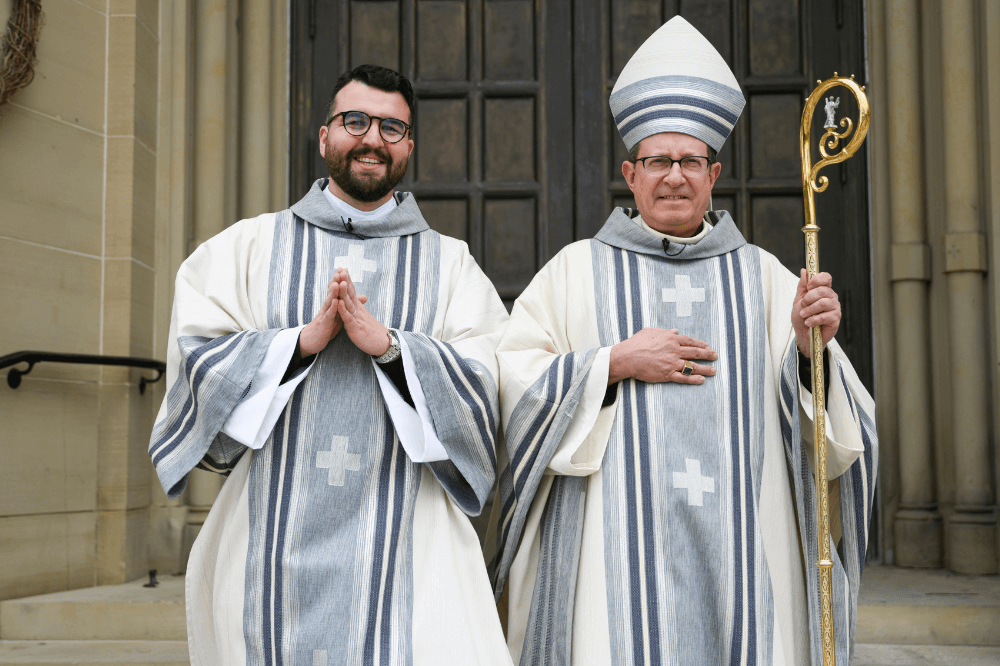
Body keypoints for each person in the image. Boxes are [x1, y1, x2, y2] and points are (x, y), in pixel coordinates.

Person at [486, 17, 877, 666]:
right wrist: (611, 363)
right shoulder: (575, 272)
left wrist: (813, 354)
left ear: (713, 171)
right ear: (630, 172)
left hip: (743, 557)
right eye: (658, 161)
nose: (674, 176)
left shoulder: (767, 279)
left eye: (689, 161)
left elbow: (833, 440)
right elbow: (511, 380)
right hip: (611, 564)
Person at [149, 64, 511, 665]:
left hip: (411, 539)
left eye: (392, 128)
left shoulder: (451, 265)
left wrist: (392, 348)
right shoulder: (248, 246)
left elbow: (487, 380)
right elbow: (195, 352)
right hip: (268, 537)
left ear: (409, 147)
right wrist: (298, 344)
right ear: (325, 138)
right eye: (356, 121)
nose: (372, 138)